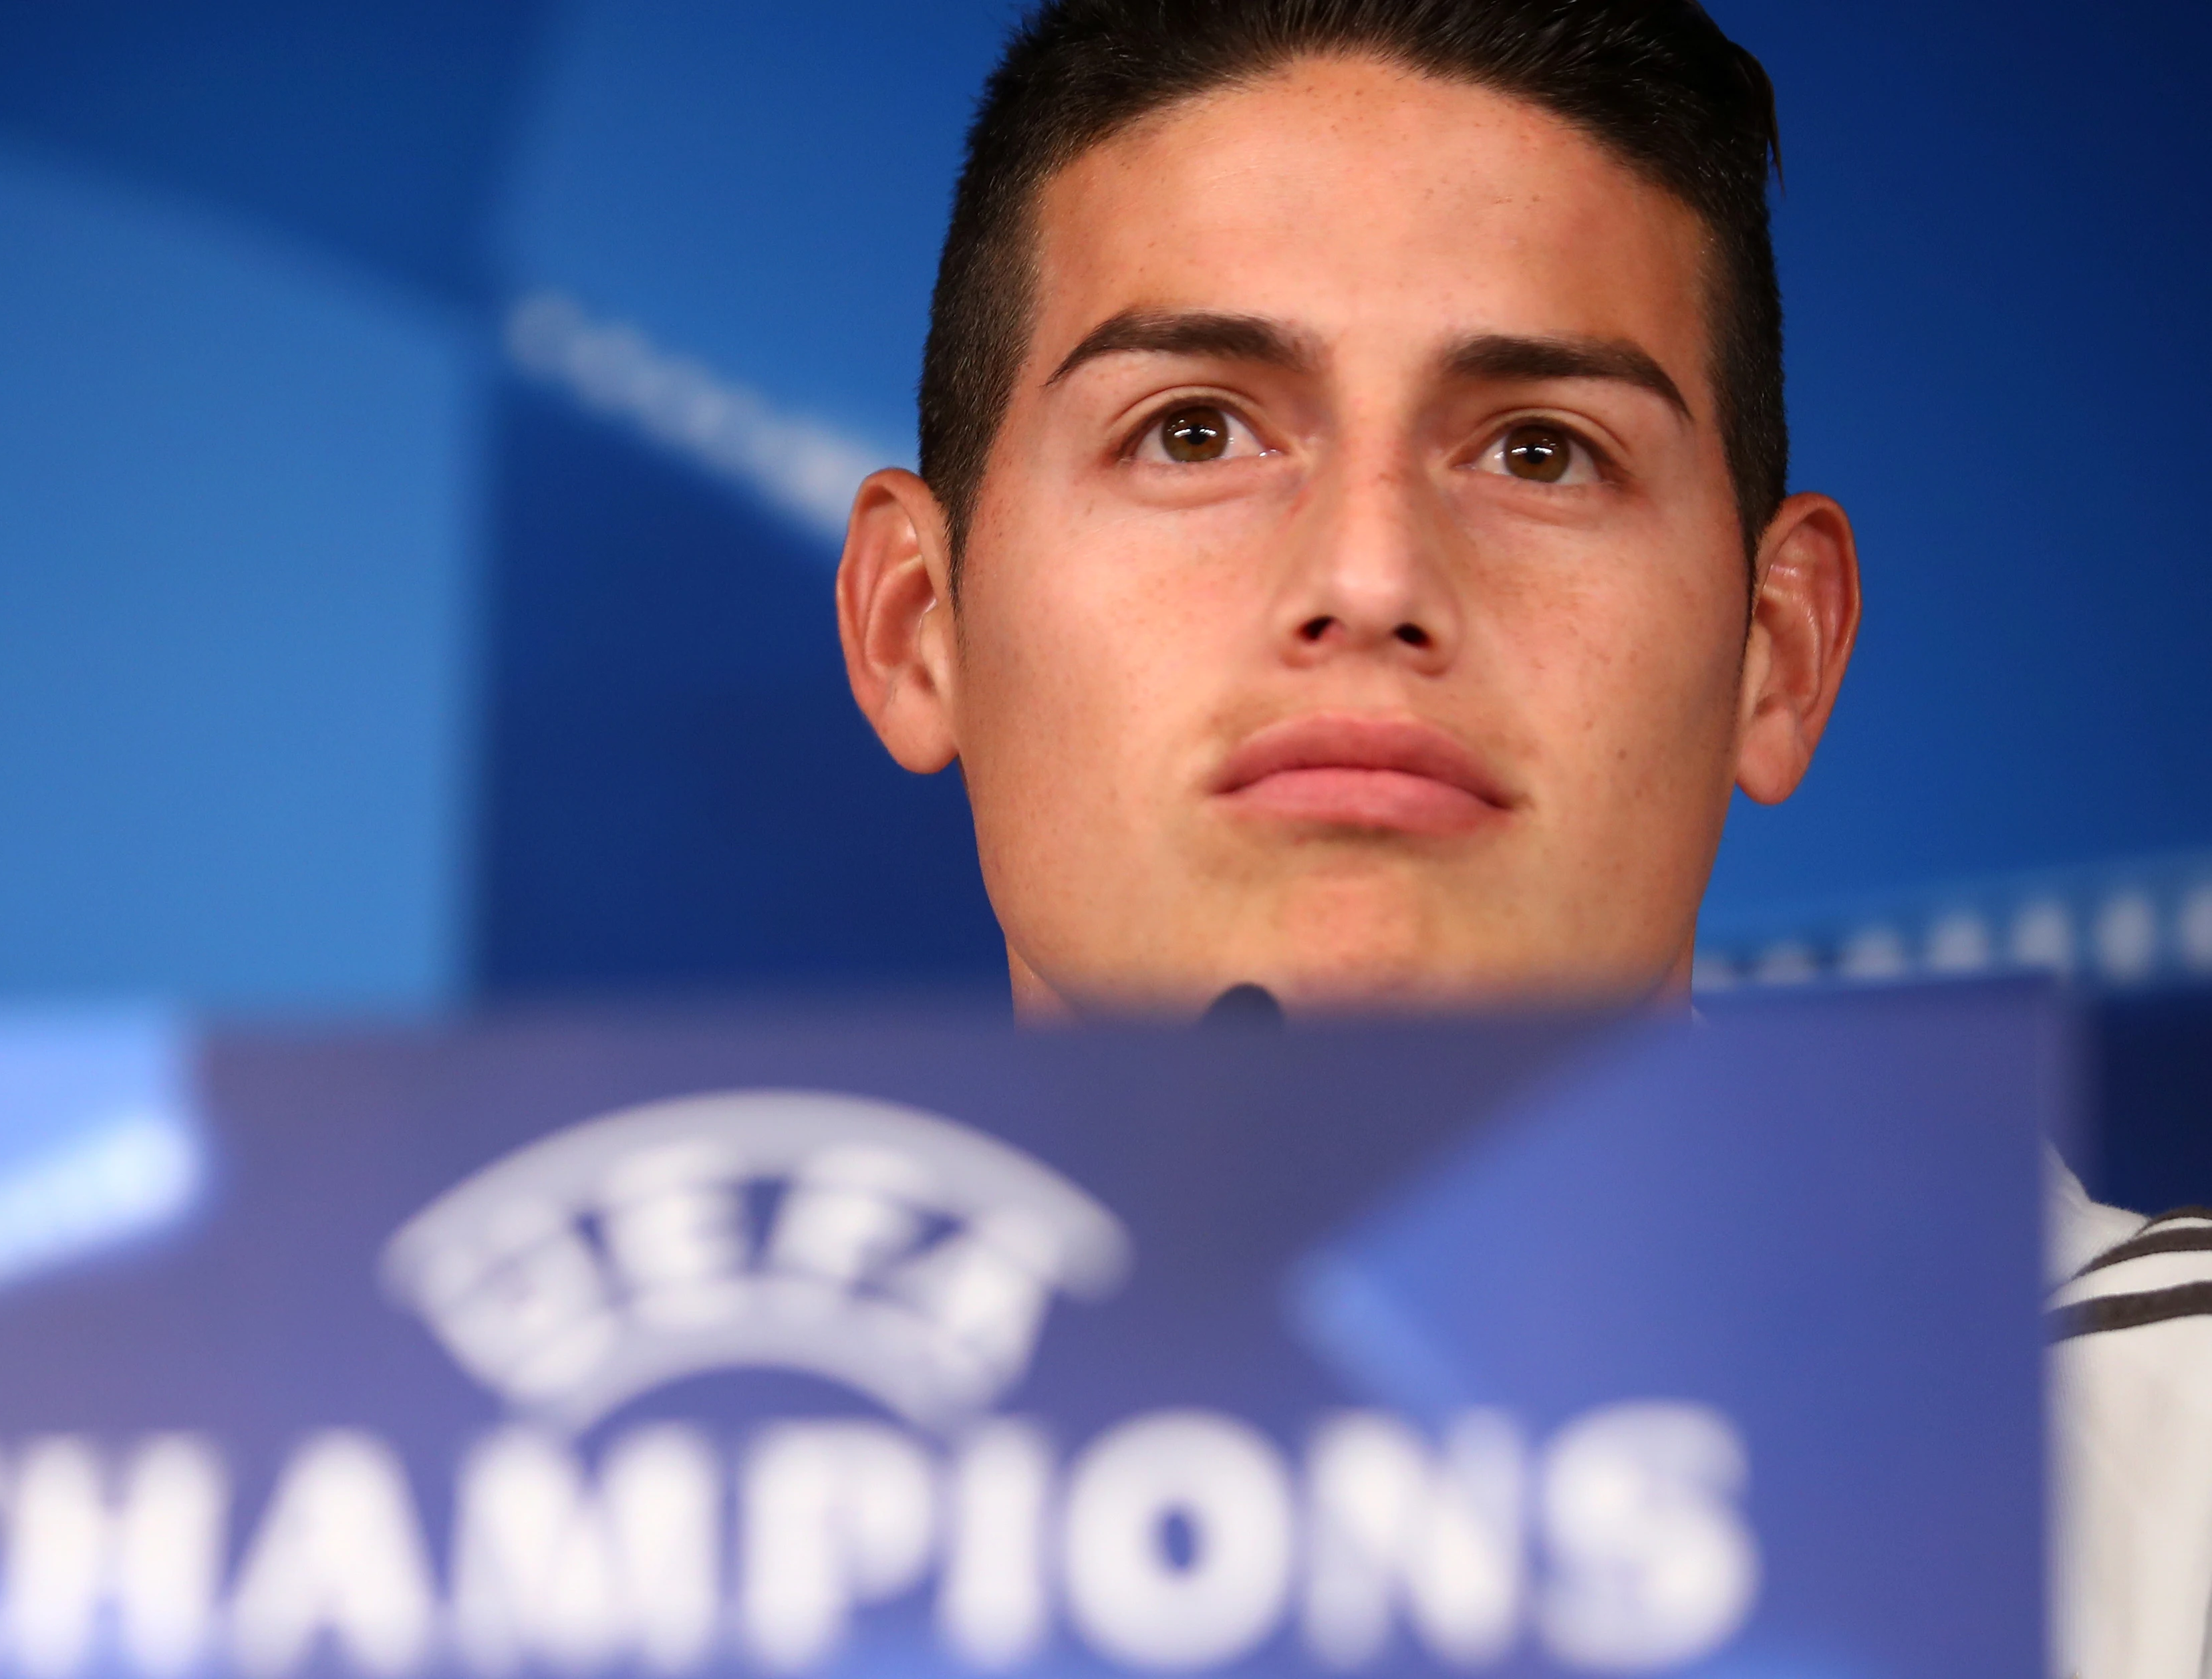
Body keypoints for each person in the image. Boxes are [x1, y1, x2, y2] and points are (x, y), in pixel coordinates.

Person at [827, 2, 2211, 1674]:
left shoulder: (2176, 1440)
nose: (1371, 578)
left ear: (1778, 654)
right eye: (1193, 429)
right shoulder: (511, 1524)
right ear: (918, 624)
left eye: (1540, 451)